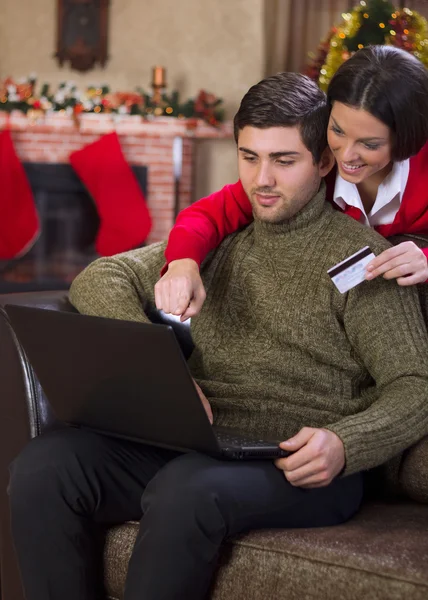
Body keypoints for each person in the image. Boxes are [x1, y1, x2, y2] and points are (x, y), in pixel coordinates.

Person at [8, 72, 428, 600]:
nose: (263, 180)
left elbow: (416, 382)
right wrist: (164, 376)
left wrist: (346, 444)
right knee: (46, 466)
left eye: (283, 160)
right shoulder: (219, 240)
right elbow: (99, 278)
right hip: (203, 441)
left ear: (323, 163)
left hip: (301, 464)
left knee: (186, 491)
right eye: (249, 158)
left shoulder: (362, 262)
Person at [155, 45, 428, 321]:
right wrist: (182, 264)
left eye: (369, 144)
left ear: (406, 137)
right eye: (337, 130)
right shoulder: (311, 166)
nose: (345, 155)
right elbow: (205, 215)